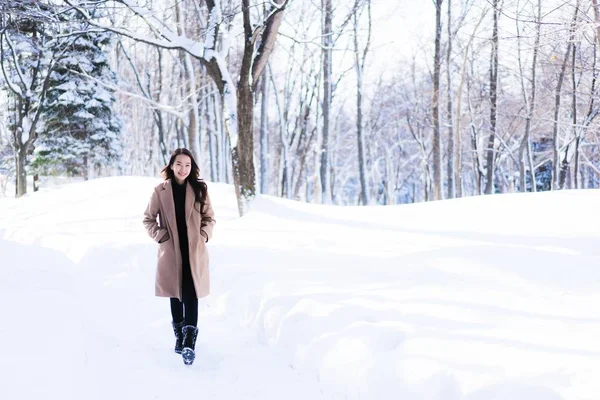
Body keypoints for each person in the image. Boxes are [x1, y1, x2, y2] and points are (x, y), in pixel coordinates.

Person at [143, 148, 216, 366]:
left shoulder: (200, 189)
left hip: (194, 252)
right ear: (171, 166)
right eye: (179, 164)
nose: (183, 169)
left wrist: (203, 235)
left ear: (192, 167)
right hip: (171, 252)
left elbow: (209, 218)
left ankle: (189, 343)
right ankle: (179, 335)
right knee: (175, 294)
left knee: (191, 294)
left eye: (187, 165)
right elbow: (148, 219)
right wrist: (161, 236)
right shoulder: (160, 191)